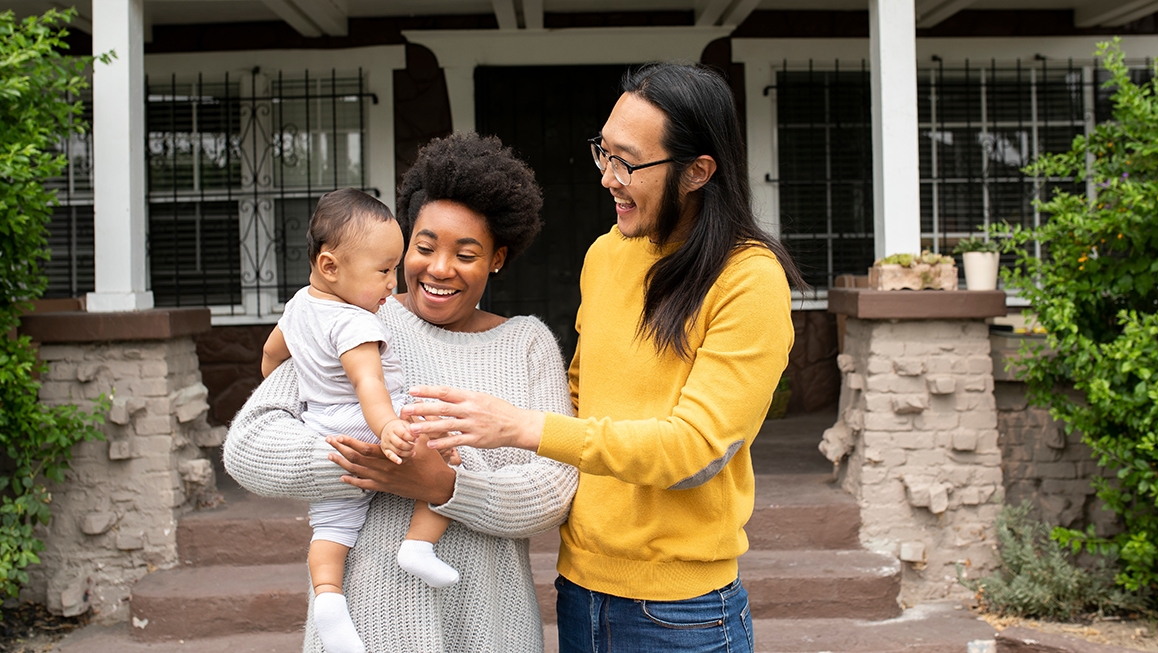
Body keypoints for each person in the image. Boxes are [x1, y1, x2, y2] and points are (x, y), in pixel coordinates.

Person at [401, 62, 808, 653]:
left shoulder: (749, 281)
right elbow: (577, 394)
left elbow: (695, 452)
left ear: (698, 172)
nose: (607, 178)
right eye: (603, 153)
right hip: (579, 588)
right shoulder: (606, 254)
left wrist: (520, 427)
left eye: (628, 162)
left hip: (681, 613)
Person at [224, 132, 579, 653]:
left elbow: (555, 491)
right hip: (370, 627)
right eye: (425, 246)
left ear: (497, 258)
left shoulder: (527, 344)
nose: (438, 268)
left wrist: (446, 485)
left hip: (490, 628)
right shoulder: (353, 317)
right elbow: (249, 447)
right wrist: (377, 464)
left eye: (466, 253)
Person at [259, 188, 461, 653]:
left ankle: (329, 600)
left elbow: (270, 358)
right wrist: (389, 426)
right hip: (368, 422)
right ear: (331, 266)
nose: (392, 283)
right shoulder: (355, 322)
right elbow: (369, 383)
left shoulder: (297, 308)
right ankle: (418, 545)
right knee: (452, 454)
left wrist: (295, 389)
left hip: (324, 432)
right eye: (383, 270)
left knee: (330, 529)